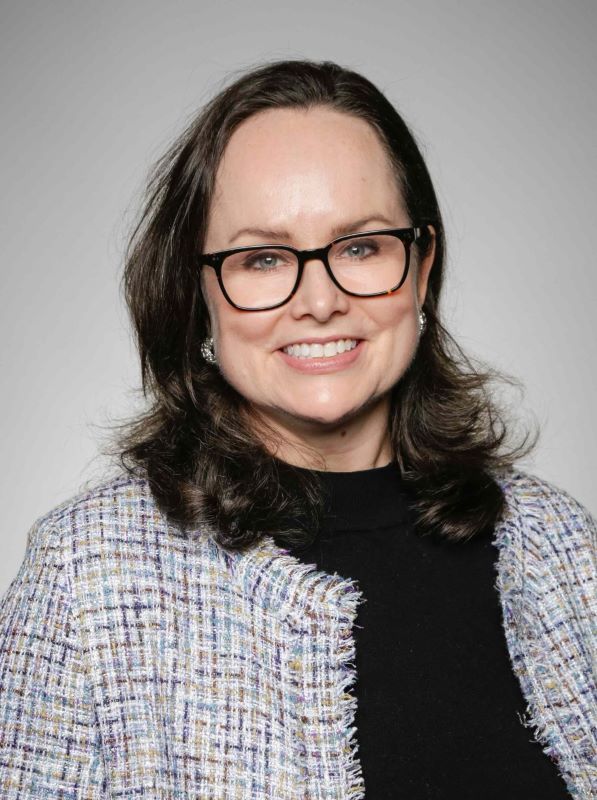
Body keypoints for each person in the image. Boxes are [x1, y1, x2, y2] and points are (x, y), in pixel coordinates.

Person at [0, 59, 595, 799]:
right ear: (198, 293)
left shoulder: (562, 547)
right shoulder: (85, 575)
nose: (318, 301)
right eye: (262, 258)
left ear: (421, 267)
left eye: (361, 246)